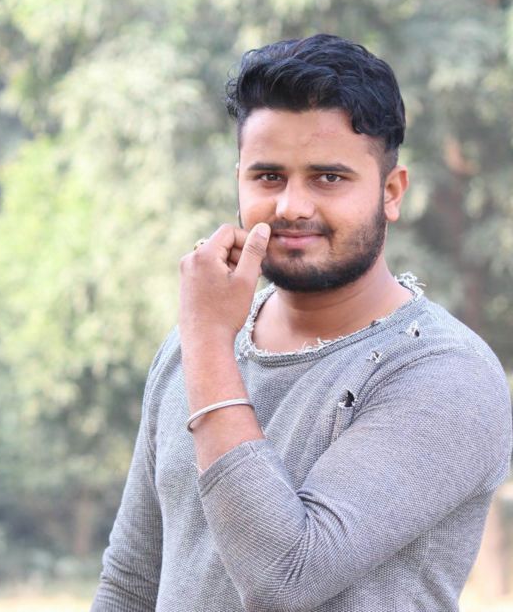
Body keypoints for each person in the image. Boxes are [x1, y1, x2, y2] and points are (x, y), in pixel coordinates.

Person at [91, 34, 512, 611]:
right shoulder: (193, 347)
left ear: (391, 192)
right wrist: (206, 341)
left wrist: (208, 341)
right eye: (268, 177)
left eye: (328, 178)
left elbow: (285, 577)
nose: (291, 206)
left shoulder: (444, 374)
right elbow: (130, 584)